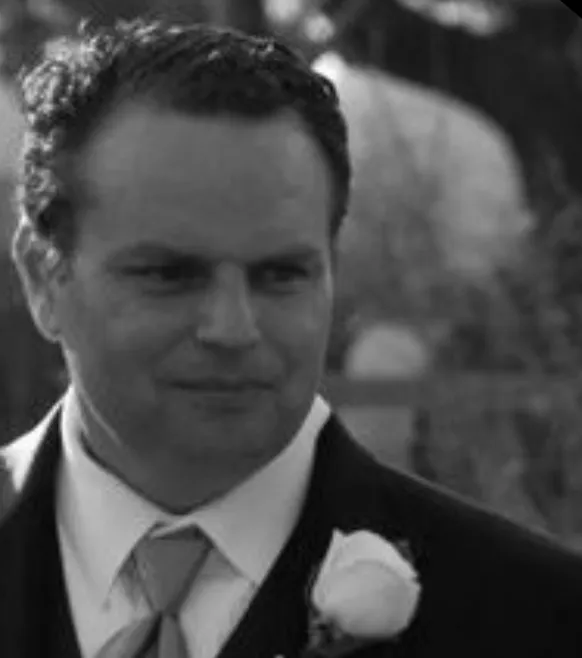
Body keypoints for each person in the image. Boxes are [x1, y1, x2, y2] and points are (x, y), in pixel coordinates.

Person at [1, 17, 581, 658]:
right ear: (43, 278)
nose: (232, 329)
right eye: (169, 275)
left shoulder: (536, 615)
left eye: (280, 275)